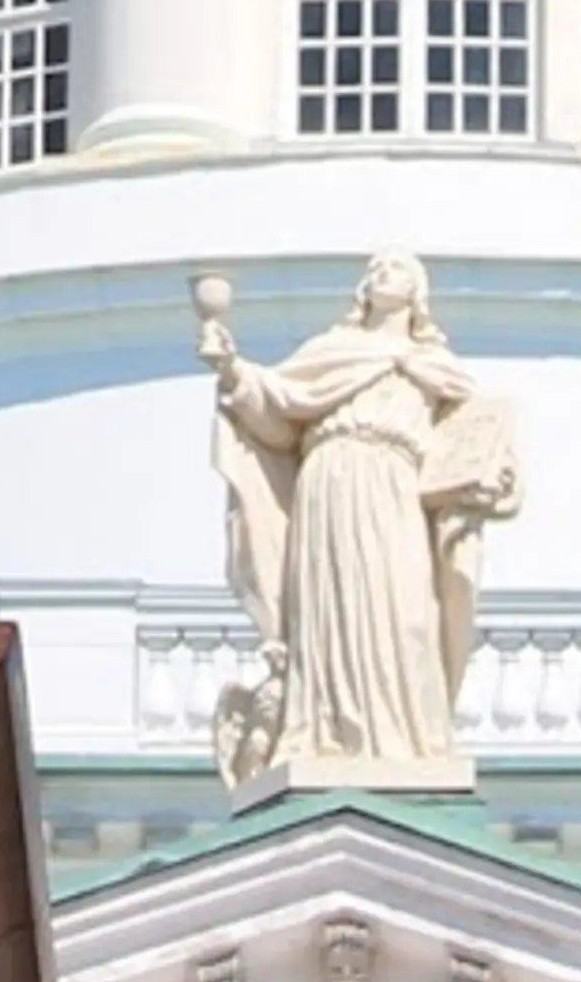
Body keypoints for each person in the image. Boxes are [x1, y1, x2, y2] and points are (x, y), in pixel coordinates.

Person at [200, 253, 520, 791]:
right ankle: (325, 730)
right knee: (332, 606)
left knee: (406, 611)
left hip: (394, 483)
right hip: (330, 480)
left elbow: (477, 442)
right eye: (374, 269)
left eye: (395, 268)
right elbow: (277, 407)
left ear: (418, 293)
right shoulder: (331, 352)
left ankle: (406, 737)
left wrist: (490, 481)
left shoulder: (437, 367)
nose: (380, 274)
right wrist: (232, 368)